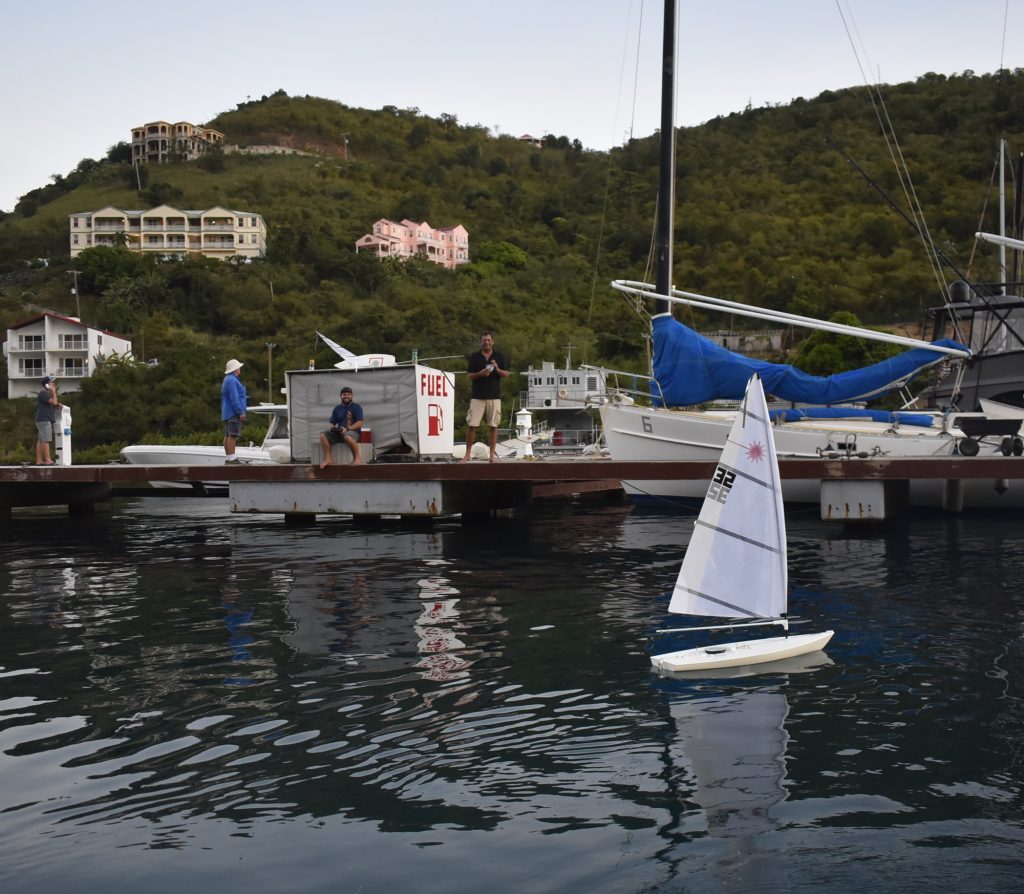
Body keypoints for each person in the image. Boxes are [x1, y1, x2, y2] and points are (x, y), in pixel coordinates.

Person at [461, 330, 509, 463]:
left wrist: (497, 369)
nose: (486, 342)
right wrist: (480, 374)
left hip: (494, 396)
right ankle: (467, 455)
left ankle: (492, 456)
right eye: (484, 340)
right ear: (481, 342)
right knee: (472, 425)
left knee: (493, 426)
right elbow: (470, 376)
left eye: (488, 340)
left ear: (492, 342)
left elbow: (506, 374)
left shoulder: (499, 356)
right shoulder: (475, 357)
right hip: (477, 396)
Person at [319, 386, 364, 468]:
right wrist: (331, 428)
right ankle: (328, 459)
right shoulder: (337, 408)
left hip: (353, 433)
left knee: (347, 436)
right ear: (340, 396)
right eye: (344, 394)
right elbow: (331, 422)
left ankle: (357, 459)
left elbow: (360, 423)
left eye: (348, 394)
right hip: (340, 433)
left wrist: (347, 429)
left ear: (352, 396)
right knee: (323, 435)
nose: (346, 396)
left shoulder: (356, 407)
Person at [221, 358, 248, 463]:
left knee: (228, 435)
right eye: (239, 367)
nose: (240, 369)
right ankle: (232, 458)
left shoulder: (227, 379)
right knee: (233, 435)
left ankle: (229, 458)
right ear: (235, 369)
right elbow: (235, 398)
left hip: (227, 412)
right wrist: (240, 412)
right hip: (233, 412)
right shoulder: (232, 380)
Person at [35, 375, 63, 465]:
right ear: (46, 384)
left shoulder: (45, 393)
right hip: (44, 419)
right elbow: (54, 402)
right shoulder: (44, 392)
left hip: (42, 419)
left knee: (41, 440)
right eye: (51, 383)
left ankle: (39, 460)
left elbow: (52, 403)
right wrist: (54, 392)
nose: (53, 384)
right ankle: (48, 460)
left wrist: (57, 404)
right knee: (46, 440)